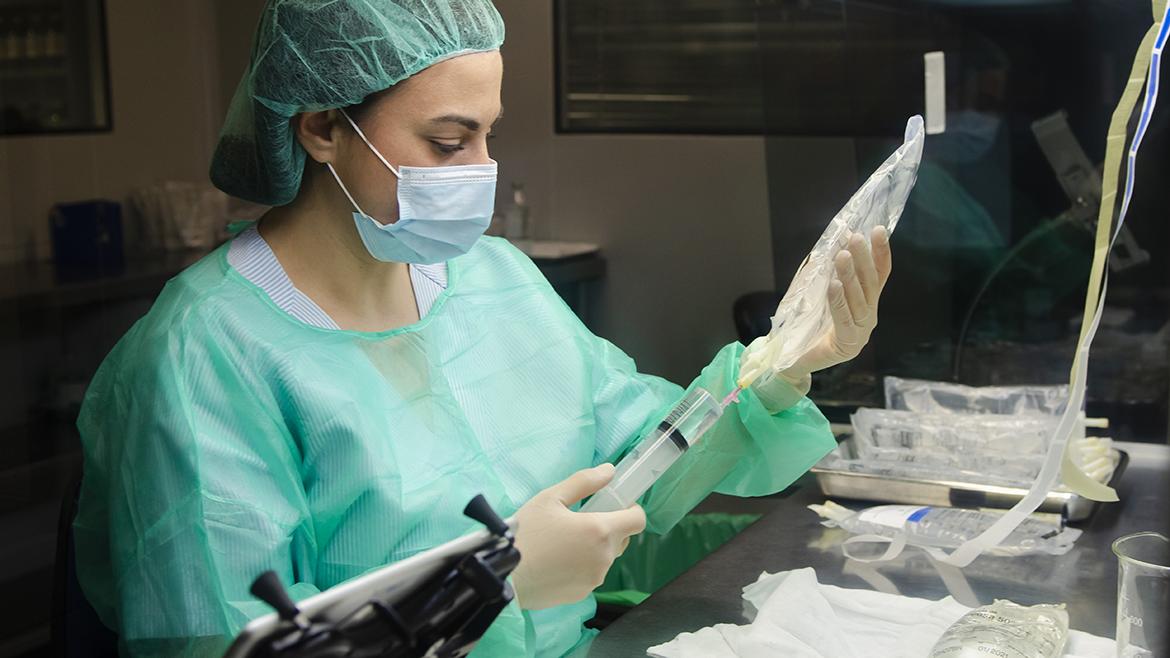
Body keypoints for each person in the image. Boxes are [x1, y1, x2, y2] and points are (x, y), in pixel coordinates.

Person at [72, 1, 893, 656]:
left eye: (487, 134)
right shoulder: (201, 359)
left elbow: (644, 464)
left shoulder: (491, 280)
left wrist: (785, 361)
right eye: (446, 140)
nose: (480, 171)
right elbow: (222, 643)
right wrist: (482, 589)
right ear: (321, 127)